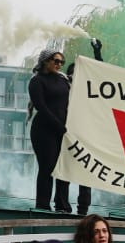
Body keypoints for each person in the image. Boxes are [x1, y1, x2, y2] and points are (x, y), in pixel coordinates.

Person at [26, 39, 102, 214]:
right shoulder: (37, 81)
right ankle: (43, 206)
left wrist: (97, 53)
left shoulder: (63, 80)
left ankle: (62, 206)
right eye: (56, 61)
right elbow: (41, 107)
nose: (59, 64)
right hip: (44, 130)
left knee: (63, 168)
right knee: (48, 167)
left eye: (62, 61)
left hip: (62, 130)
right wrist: (59, 126)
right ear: (45, 61)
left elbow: (96, 75)